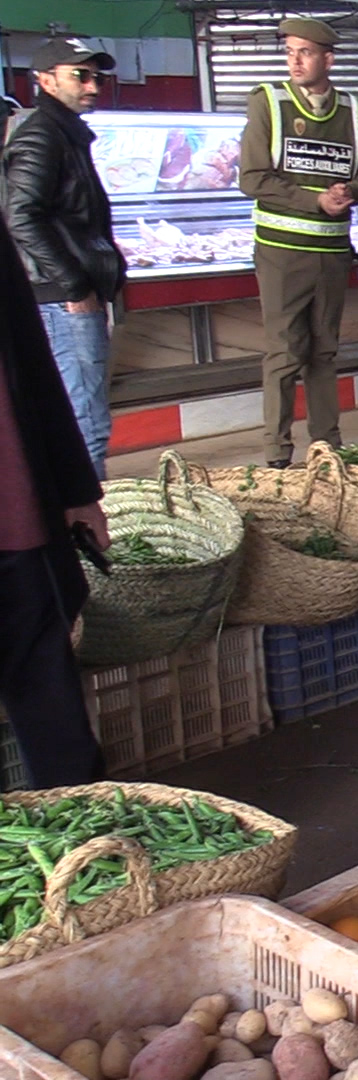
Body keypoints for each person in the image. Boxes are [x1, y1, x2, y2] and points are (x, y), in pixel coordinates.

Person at [0, 214, 109, 787]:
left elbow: (31, 360)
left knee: (51, 707)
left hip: (15, 513)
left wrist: (76, 491)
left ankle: (85, 847)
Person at [239, 18, 358, 469]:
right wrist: (314, 200)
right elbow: (253, 178)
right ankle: (277, 453)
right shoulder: (269, 103)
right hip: (282, 252)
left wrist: (349, 193)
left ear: (328, 59)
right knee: (284, 352)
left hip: (333, 253)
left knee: (324, 351)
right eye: (290, 52)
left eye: (305, 52)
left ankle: (327, 447)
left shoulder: (354, 111)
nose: (295, 60)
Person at [3, 38, 124, 480]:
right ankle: (87, 535)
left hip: (68, 296)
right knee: (86, 423)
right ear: (45, 80)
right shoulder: (42, 134)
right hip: (63, 300)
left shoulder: (64, 131)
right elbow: (20, 215)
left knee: (80, 417)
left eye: (96, 76)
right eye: (81, 75)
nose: (93, 85)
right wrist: (74, 286)